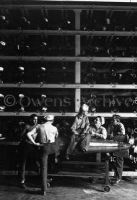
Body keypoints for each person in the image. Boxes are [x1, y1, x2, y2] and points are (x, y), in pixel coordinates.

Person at [27, 114, 59, 196]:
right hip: (53, 148)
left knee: (43, 167)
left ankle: (44, 189)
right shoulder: (54, 128)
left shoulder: (39, 126)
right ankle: (47, 179)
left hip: (44, 148)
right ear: (52, 121)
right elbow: (56, 137)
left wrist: (35, 143)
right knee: (49, 164)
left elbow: (28, 134)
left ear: (44, 120)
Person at [18, 114, 40, 189]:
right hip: (25, 146)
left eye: (36, 119)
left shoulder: (38, 126)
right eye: (34, 119)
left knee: (38, 163)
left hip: (33, 147)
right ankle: (22, 181)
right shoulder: (27, 126)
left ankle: (42, 179)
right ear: (30, 119)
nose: (35, 120)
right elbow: (21, 136)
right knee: (23, 164)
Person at [107, 114, 126, 184]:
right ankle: (114, 176)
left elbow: (122, 135)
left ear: (118, 120)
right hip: (111, 144)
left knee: (119, 161)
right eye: (112, 119)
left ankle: (118, 178)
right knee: (111, 160)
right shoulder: (110, 125)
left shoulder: (120, 125)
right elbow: (108, 135)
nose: (112, 121)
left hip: (119, 145)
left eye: (114, 119)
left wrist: (115, 135)